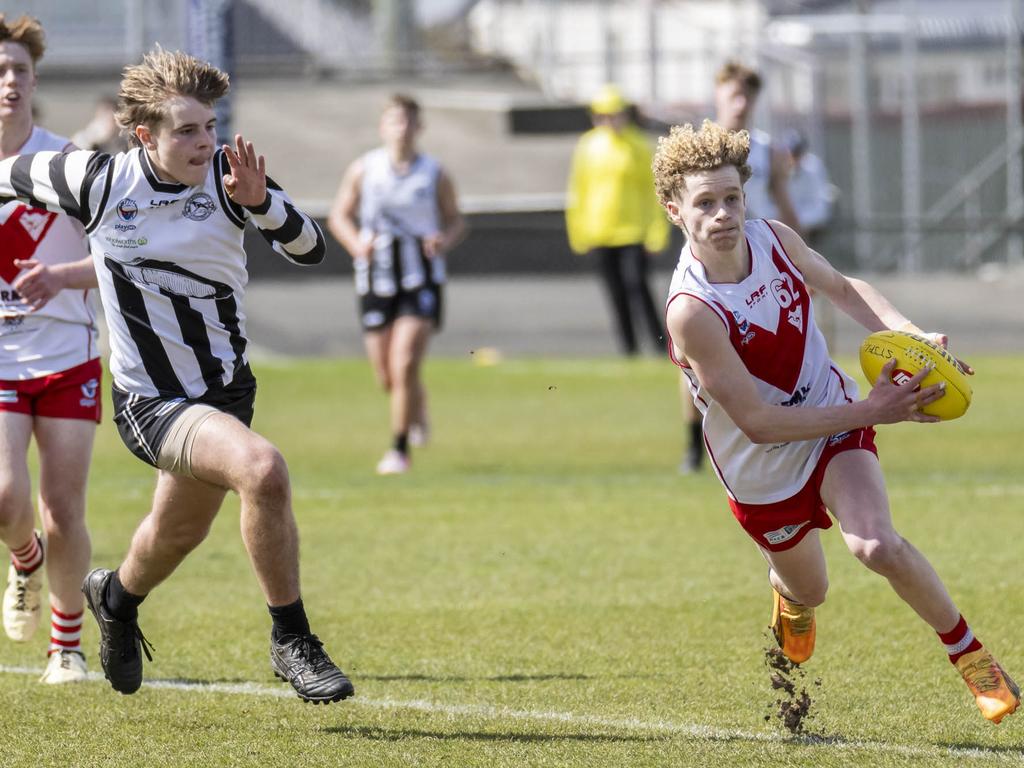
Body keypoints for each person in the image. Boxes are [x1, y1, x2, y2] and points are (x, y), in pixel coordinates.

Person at [0, 47, 355, 703]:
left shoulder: (230, 177)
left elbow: (312, 248)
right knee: (263, 470)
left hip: (224, 394)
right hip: (150, 402)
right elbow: (9, 170)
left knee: (176, 535)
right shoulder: (99, 180)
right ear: (145, 136)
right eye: (186, 130)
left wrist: (263, 204)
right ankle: (292, 640)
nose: (204, 141)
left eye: (210, 126)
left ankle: (116, 596)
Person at [655, 119, 1019, 724]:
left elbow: (844, 289)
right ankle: (791, 597)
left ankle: (974, 659)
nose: (722, 214)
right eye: (705, 203)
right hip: (760, 467)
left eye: (732, 198)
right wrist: (874, 408)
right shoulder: (692, 312)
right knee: (812, 589)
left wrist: (908, 334)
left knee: (876, 545)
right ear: (675, 211)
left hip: (832, 418)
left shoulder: (773, 239)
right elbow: (759, 424)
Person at [0, 13, 101, 685]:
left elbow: (121, 255)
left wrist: (61, 277)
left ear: (35, 80)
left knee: (64, 509)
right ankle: (24, 559)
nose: (9, 82)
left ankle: (66, 647)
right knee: (5, 499)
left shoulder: (67, 164)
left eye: (20, 71)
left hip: (68, 354)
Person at [677, 61, 805, 474]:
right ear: (717, 95)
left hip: (762, 262)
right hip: (714, 273)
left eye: (748, 94)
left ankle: (789, 428)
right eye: (733, 93)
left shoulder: (766, 148)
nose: (741, 102)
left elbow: (783, 200)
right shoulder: (698, 149)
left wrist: (799, 258)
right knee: (696, 364)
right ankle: (694, 447)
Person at [327, 94, 465, 476]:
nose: (401, 128)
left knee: (404, 363)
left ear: (419, 128)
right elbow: (339, 215)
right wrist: (357, 245)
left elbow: (455, 220)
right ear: (382, 127)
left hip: (420, 277)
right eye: (394, 120)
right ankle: (417, 408)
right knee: (386, 376)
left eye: (408, 121)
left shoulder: (434, 173)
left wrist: (442, 239)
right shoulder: (364, 169)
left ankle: (399, 449)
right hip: (376, 275)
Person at [565, 84, 669, 357]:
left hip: (634, 231)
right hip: (599, 231)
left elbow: (653, 192)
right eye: (603, 115)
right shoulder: (588, 146)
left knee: (638, 285)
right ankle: (629, 348)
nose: (609, 120)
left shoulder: (639, 145)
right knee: (615, 293)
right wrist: (579, 232)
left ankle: (659, 344)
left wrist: (657, 231)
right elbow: (579, 190)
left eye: (615, 114)